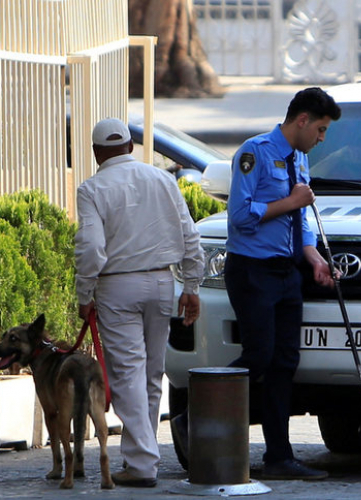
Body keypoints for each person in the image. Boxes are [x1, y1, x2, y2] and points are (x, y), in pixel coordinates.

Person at [172, 87, 340, 481]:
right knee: (259, 355)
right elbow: (241, 216)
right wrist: (291, 203)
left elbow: (303, 221)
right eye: (320, 129)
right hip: (253, 270)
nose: (321, 139)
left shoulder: (299, 157)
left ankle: (280, 456)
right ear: (301, 120)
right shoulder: (255, 152)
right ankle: (192, 418)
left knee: (285, 363)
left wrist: (313, 256)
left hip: (287, 271)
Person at [75, 117, 204, 488]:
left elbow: (91, 249)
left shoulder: (92, 188)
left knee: (127, 374)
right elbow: (189, 236)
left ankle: (142, 463)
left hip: (117, 286)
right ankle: (142, 458)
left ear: (97, 153)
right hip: (163, 282)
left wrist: (85, 295)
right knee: (150, 375)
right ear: (130, 147)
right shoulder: (163, 179)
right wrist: (191, 286)